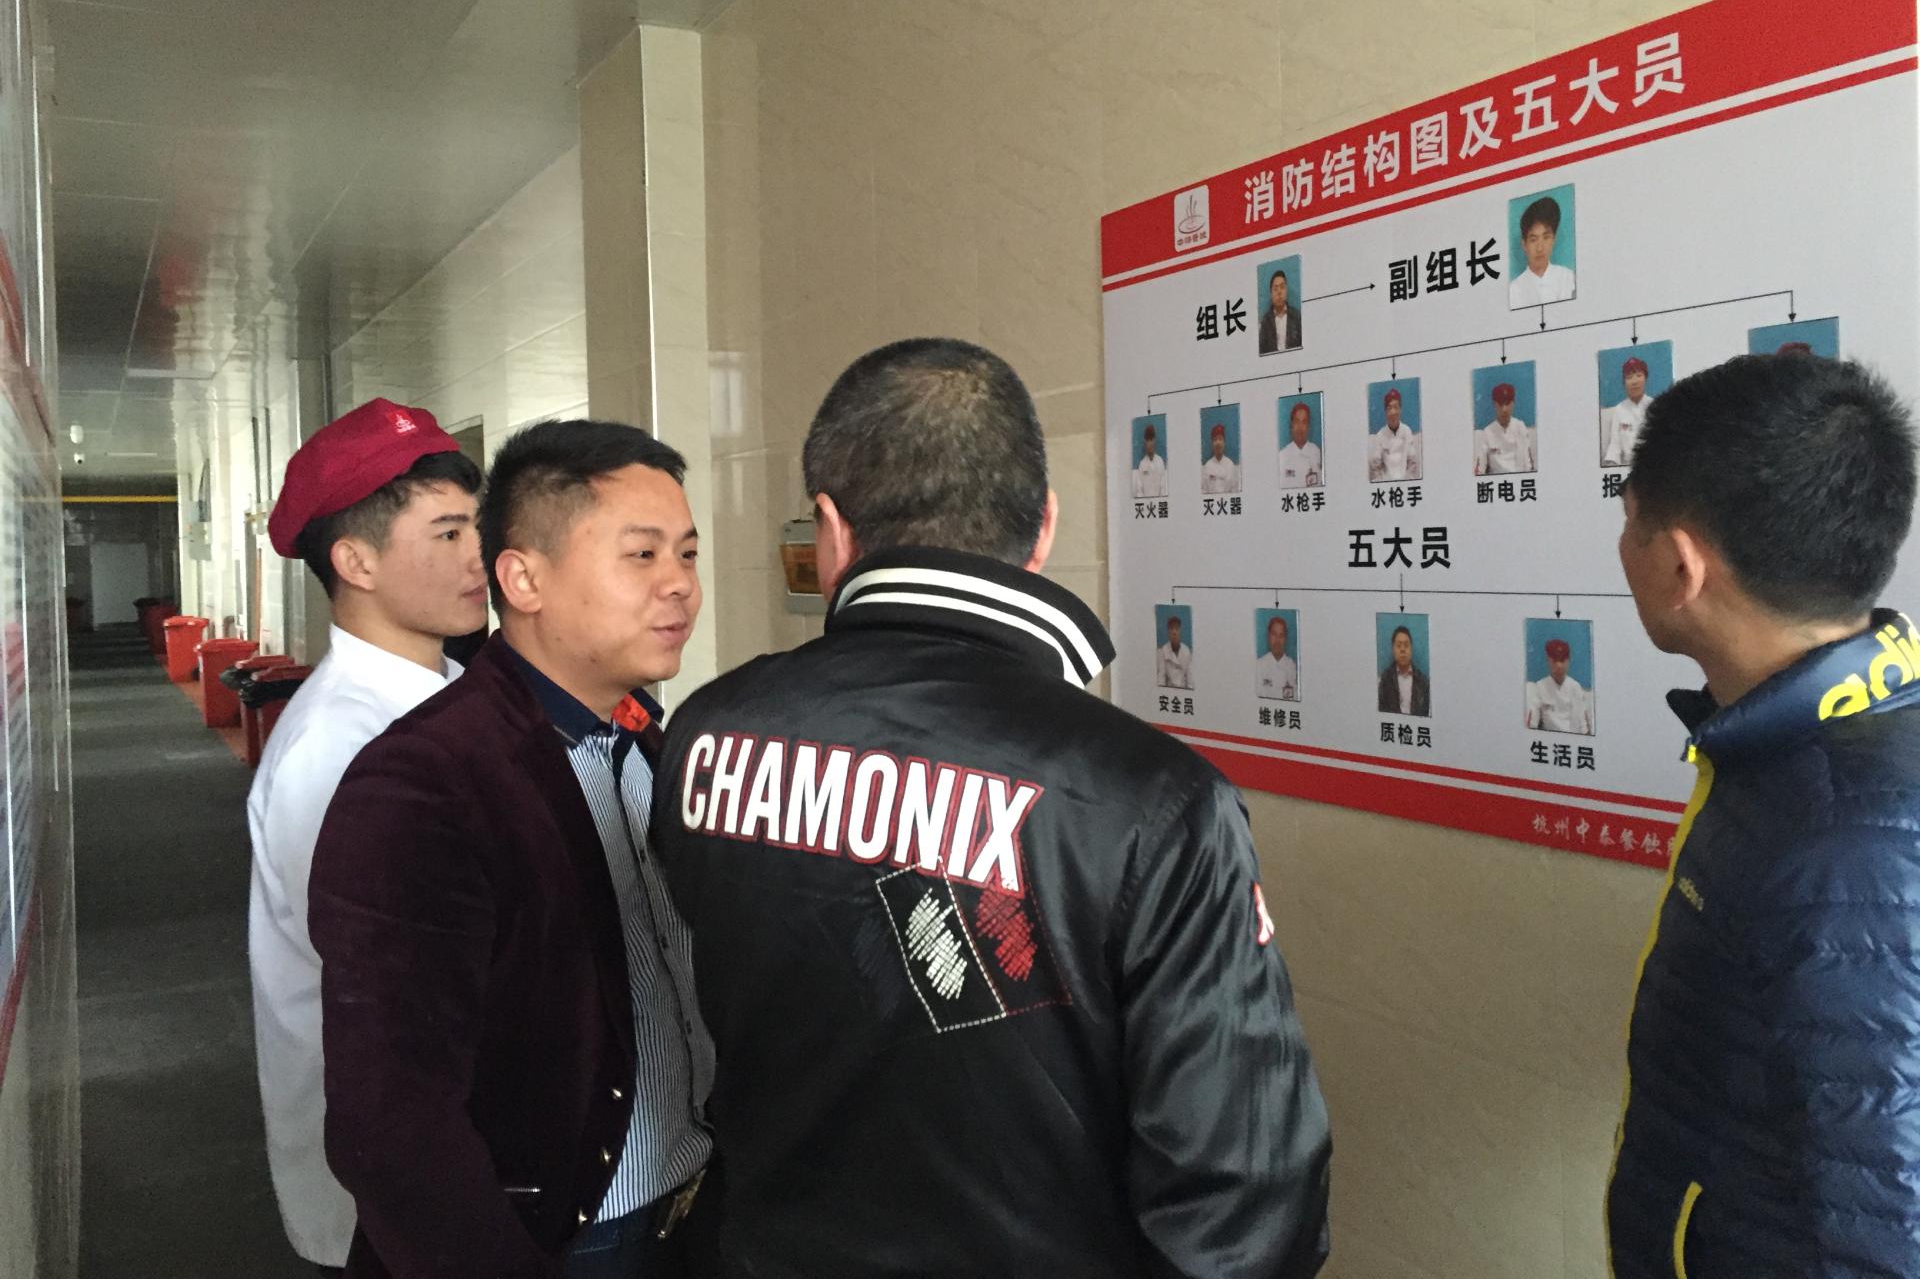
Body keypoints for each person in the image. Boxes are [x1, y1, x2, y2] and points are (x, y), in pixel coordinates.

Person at [652, 338, 1331, 1279]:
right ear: (1042, 526)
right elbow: (1245, 1203)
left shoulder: (707, 731)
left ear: (831, 531)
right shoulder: (1154, 798)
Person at [307, 420, 716, 1279]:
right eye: (641, 556)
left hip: (689, 1209)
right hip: (564, 1239)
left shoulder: (643, 739)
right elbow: (393, 1122)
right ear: (523, 579)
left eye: (686, 553)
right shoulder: (426, 782)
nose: (680, 584)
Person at [1608, 353, 1920, 1278]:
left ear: (1680, 566)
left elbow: (1886, 1223)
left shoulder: (1846, 844)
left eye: (1628, 520)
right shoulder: (1797, 749)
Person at [247, 399, 487, 1277]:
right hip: (390, 1187)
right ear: (356, 561)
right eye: (448, 534)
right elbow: (390, 991)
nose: (479, 556)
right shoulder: (340, 747)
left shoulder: (450, 690)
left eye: (476, 527)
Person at [1508, 195, 1575, 306]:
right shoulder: (1514, 290)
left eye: (1546, 237)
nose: (1540, 248)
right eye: (1533, 240)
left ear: (1553, 240)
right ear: (1524, 245)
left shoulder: (1568, 278)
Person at [1523, 637, 1591, 734]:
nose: (1559, 665)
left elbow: (1583, 725)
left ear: (1568, 661)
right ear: (1548, 660)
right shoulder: (1540, 686)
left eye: (1562, 660)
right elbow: (1532, 722)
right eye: (1554, 660)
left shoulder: (1575, 687)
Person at [1473, 381, 1535, 476]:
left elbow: (1528, 464)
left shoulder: (1520, 427)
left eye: (1507, 404)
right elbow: (1480, 469)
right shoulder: (1487, 432)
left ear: (1513, 403)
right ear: (1494, 404)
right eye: (1500, 404)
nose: (1504, 409)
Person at [1601, 356, 1651, 467]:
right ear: (1624, 383)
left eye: (1639, 375)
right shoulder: (1620, 409)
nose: (1634, 381)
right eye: (1629, 377)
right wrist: (1611, 464)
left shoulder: (1655, 406)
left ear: (1645, 379)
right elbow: (1615, 445)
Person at [1367, 387, 1422, 482]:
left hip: (1405, 480)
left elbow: (1412, 464)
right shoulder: (1380, 435)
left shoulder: (1406, 431)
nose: (1393, 412)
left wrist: (1407, 481)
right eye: (1389, 408)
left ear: (1400, 410)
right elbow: (1375, 468)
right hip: (1386, 483)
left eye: (1396, 407)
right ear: (1385, 411)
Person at [1376, 624, 1430, 716]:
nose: (1403, 649)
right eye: (1398, 645)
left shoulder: (1423, 682)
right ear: (1393, 650)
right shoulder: (1385, 680)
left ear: (1411, 649)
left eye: (1406, 645)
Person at [1278, 402, 1323, 488]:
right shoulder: (1282, 455)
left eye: (1304, 422)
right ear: (1291, 425)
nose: (1300, 427)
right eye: (1297, 421)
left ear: (1308, 426)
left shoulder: (1316, 452)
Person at [1259, 266, 1302, 355]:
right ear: (1271, 294)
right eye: (1275, 289)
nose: (1279, 292)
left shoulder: (1297, 316)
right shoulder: (1265, 321)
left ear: (1286, 290)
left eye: (1282, 287)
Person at [1256, 615, 1299, 701]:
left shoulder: (1292, 666)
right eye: (1274, 634)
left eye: (1281, 635)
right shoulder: (1259, 665)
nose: (1277, 640)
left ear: (1285, 639)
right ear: (1268, 636)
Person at [1201, 421, 1241, 494]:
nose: (1218, 443)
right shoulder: (1207, 466)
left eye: (1220, 439)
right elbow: (1204, 491)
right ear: (1212, 444)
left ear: (1224, 443)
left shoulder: (1230, 465)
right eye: (1215, 440)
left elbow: (1234, 491)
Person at [1157, 613, 1194, 689]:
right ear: (1168, 632)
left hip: (1184, 690)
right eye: (1171, 629)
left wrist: (1190, 692)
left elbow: (1190, 677)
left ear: (1180, 631)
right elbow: (1161, 678)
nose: (1174, 632)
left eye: (1177, 629)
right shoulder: (1163, 651)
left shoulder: (1186, 650)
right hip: (1169, 691)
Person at [1132, 422, 1168, 498]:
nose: (1150, 443)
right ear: (1145, 442)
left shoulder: (1160, 461)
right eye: (1148, 440)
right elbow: (1139, 491)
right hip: (1146, 503)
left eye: (1151, 440)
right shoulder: (1142, 464)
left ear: (1154, 441)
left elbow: (1163, 488)